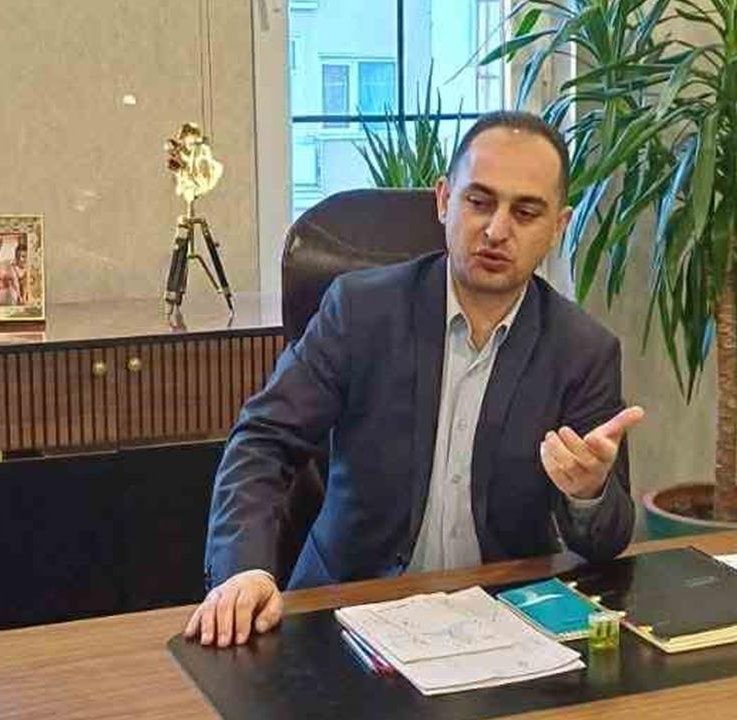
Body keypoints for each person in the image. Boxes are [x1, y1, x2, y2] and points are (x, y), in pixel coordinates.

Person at [184, 111, 645, 649]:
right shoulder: (360, 311)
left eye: (525, 212)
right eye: (479, 202)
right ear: (444, 200)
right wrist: (244, 569)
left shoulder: (582, 350)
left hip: (500, 628)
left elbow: (607, 542)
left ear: (558, 227)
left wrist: (588, 494)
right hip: (346, 614)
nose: (497, 230)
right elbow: (264, 439)